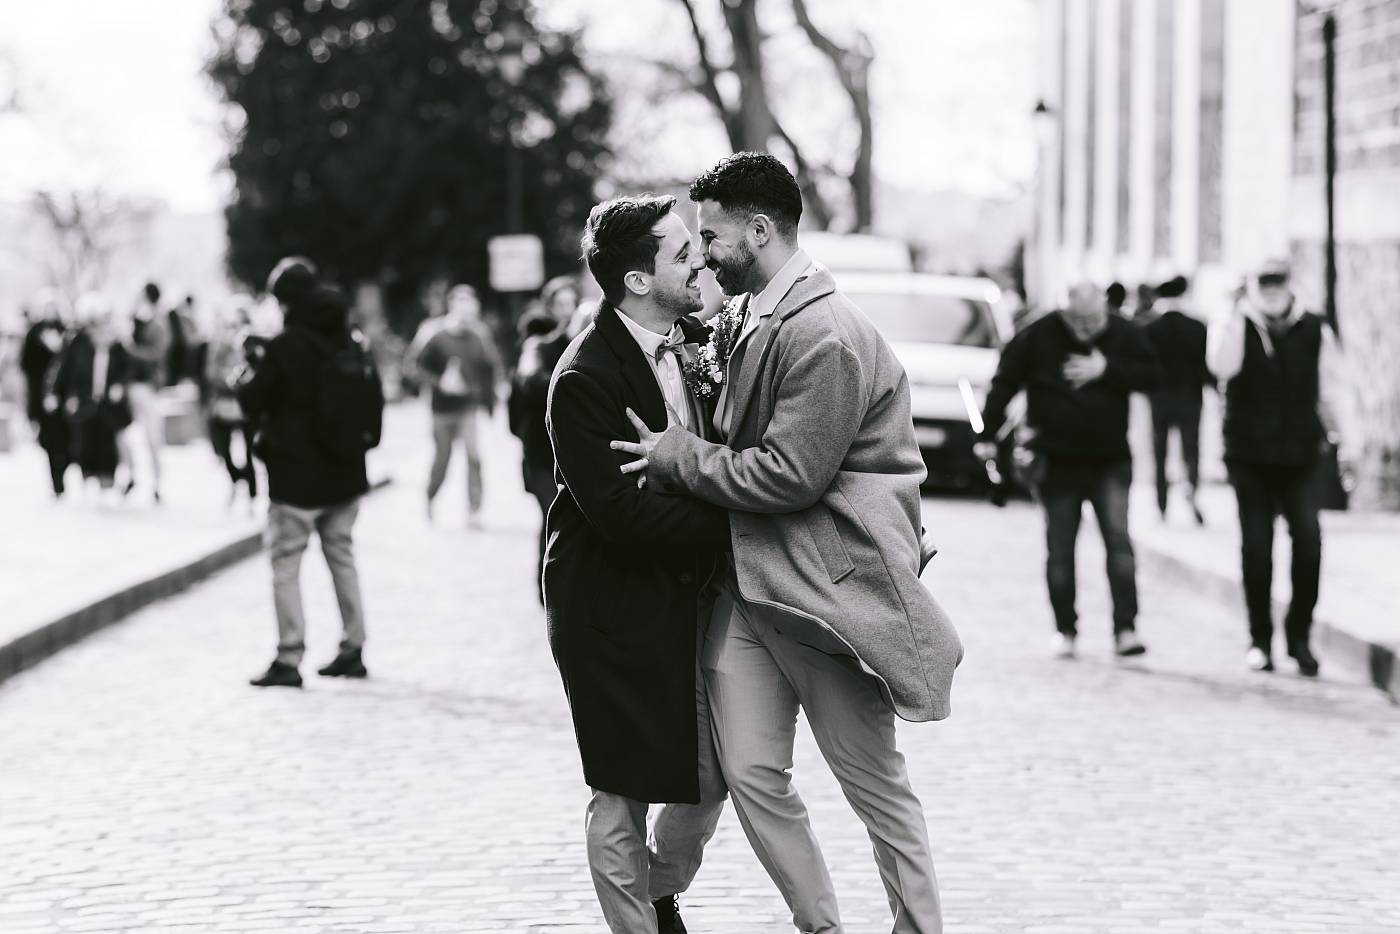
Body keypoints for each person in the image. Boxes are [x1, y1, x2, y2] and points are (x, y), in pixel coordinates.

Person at [611, 154, 960, 934]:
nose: (700, 254)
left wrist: (677, 456)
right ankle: (822, 926)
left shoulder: (825, 333)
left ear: (760, 231)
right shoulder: (750, 312)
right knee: (751, 773)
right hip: (751, 586)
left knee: (873, 783)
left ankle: (921, 928)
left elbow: (789, 476)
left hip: (828, 596)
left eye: (711, 236)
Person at [544, 196, 728, 934]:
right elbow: (620, 516)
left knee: (712, 778)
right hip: (607, 609)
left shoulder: (701, 343)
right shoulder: (583, 378)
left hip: (691, 598)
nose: (700, 261)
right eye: (682, 253)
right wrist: (736, 521)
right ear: (638, 281)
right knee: (621, 790)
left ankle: (656, 888)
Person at [976, 281, 1159, 660]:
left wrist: (1106, 369)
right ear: (1063, 312)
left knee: (1119, 545)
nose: (1088, 327)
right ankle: (1066, 629)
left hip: (1110, 458)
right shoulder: (1038, 336)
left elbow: (1153, 374)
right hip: (1057, 460)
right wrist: (989, 433)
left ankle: (1126, 629)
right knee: (1060, 550)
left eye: (1095, 318)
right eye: (1079, 320)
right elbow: (1005, 380)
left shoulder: (1123, 333)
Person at [239, 257, 383, 689]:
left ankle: (289, 656)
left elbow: (253, 400)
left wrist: (249, 367)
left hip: (297, 479)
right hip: (345, 474)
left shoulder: (286, 346)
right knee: (342, 557)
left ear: (284, 301)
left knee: (285, 564)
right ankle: (353, 647)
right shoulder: (350, 340)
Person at [1207, 258, 1351, 677]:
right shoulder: (1237, 324)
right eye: (1262, 282)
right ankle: (1260, 639)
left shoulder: (1313, 329)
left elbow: (1333, 390)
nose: (1270, 289)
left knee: (1308, 542)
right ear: (1251, 285)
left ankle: (1300, 636)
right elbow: (1221, 364)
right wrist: (1234, 314)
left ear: (1290, 284)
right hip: (1249, 456)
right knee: (1257, 547)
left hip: (1301, 454)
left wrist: (1347, 444)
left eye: (1277, 281)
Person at [508, 276, 581, 599]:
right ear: (550, 308)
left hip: (573, 452)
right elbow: (529, 384)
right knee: (553, 515)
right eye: (561, 304)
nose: (567, 311)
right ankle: (548, 587)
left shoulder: (587, 343)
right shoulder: (538, 347)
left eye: (572, 303)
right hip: (542, 451)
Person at [404, 284, 501, 525]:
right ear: (452, 306)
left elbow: (490, 368)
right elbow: (412, 366)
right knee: (442, 459)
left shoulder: (480, 334)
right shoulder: (433, 333)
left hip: (468, 407)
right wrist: (439, 383)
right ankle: (430, 498)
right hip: (441, 409)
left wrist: (490, 402)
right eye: (462, 307)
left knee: (474, 457)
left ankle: (474, 510)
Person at [45, 293, 134, 499]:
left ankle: (109, 485)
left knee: (107, 446)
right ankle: (89, 484)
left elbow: (128, 368)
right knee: (85, 444)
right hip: (84, 402)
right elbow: (64, 370)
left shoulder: (116, 343)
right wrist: (57, 394)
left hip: (109, 406)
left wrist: (119, 386)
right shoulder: (78, 343)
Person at [1140, 275, 1211, 523]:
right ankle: (1191, 491)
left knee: (1159, 451)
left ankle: (1161, 504)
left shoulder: (1148, 328)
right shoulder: (1197, 327)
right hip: (1190, 396)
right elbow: (1206, 367)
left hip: (1158, 397)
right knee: (1191, 450)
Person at [205, 297, 258, 507]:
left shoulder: (253, 345)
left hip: (246, 405)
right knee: (223, 449)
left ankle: (252, 494)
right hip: (224, 402)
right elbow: (210, 371)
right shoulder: (220, 344)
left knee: (249, 450)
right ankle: (237, 480)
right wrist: (230, 379)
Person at [20, 290, 71, 498]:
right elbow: (26, 365)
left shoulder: (66, 332)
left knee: (66, 440)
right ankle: (56, 484)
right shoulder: (34, 334)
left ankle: (63, 475)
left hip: (64, 396)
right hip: (41, 397)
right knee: (49, 441)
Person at [123, 281, 170, 502]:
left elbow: (156, 355)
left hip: (147, 386)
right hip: (130, 385)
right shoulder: (134, 321)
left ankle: (156, 483)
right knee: (126, 435)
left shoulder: (157, 324)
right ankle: (132, 476)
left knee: (152, 437)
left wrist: (131, 351)